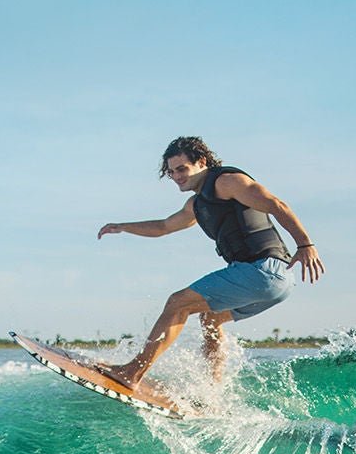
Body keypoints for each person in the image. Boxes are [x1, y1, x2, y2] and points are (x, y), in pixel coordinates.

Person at [94, 136, 322, 387]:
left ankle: (133, 372)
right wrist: (123, 227)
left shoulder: (227, 182)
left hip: (263, 271)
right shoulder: (197, 203)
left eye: (182, 169)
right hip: (275, 281)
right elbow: (164, 226)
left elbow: (275, 204)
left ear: (201, 161)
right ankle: (212, 391)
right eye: (171, 172)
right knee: (210, 319)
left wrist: (305, 244)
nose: (177, 176)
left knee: (177, 302)